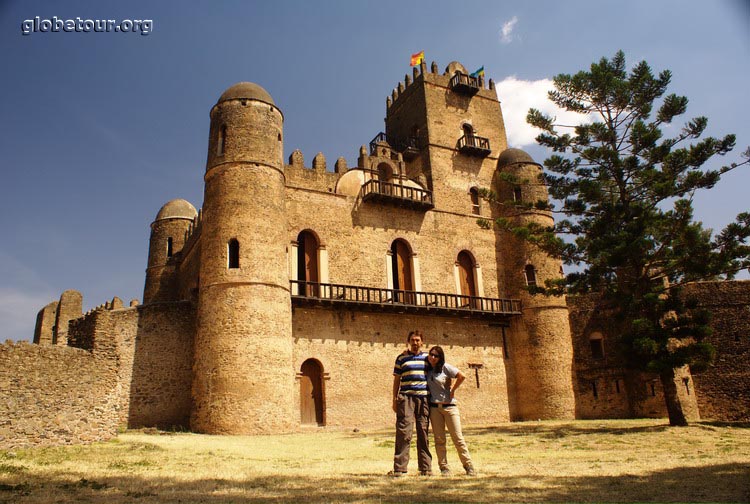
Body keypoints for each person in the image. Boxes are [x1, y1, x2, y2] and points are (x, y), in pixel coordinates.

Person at [425, 345, 475, 476]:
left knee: (458, 438)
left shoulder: (445, 367)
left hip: (450, 408)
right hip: (435, 408)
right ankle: (444, 468)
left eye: (436, 355)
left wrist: (453, 390)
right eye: (431, 354)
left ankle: (468, 465)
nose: (433, 357)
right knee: (439, 439)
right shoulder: (428, 369)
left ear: (440, 357)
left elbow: (461, 376)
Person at [389, 330, 432, 476]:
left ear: (422, 342)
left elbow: (439, 370)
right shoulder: (401, 358)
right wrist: (394, 399)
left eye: (418, 340)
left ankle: (425, 468)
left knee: (423, 431)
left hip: (423, 398)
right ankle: (400, 469)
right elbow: (397, 380)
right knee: (403, 432)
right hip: (406, 398)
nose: (415, 343)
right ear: (409, 342)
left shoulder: (428, 358)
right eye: (413, 340)